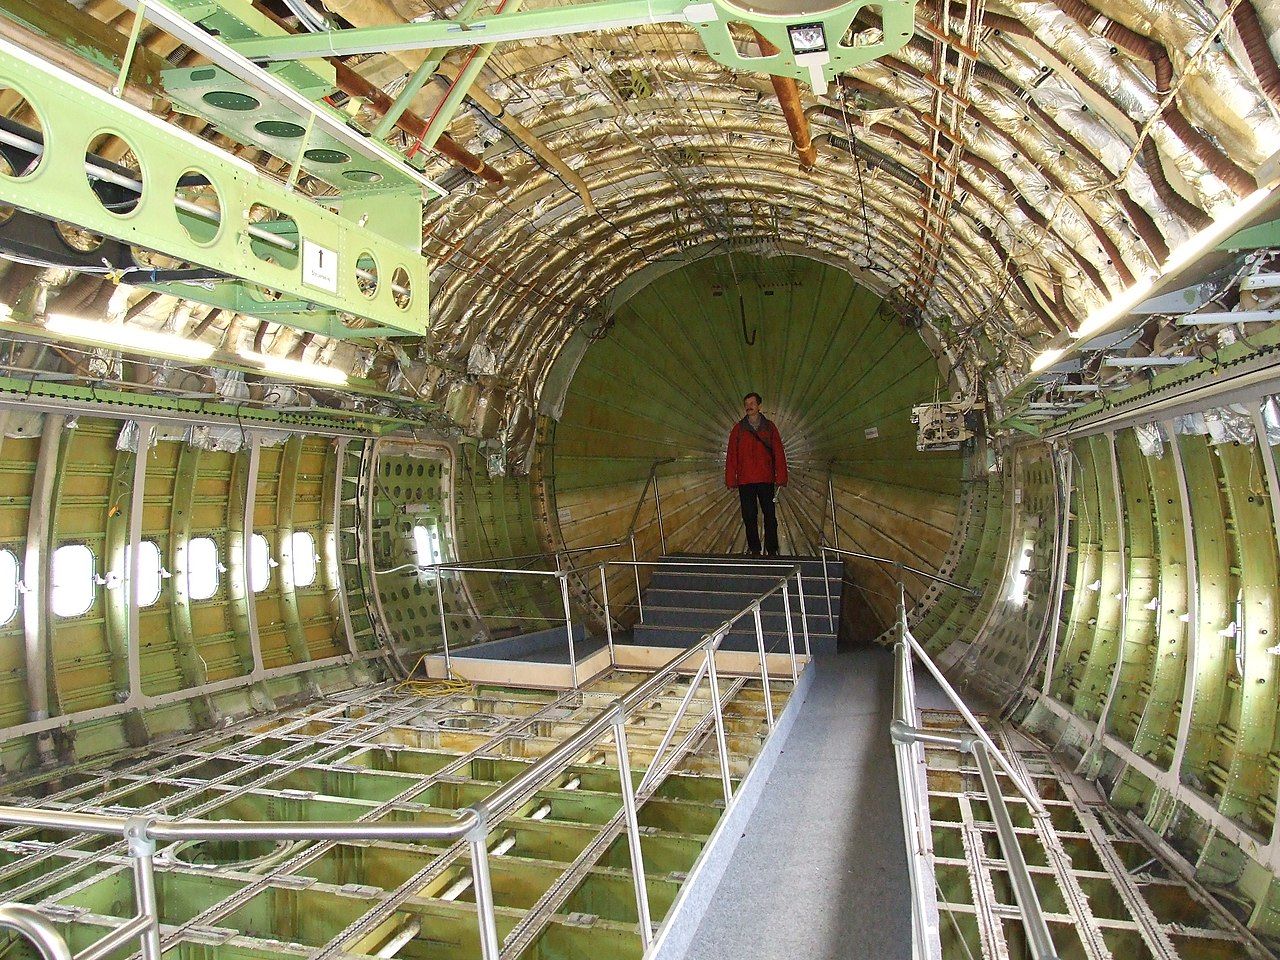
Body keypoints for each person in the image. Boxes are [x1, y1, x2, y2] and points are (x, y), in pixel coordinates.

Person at [725, 392, 788, 556]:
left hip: (765, 478)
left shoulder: (769, 427)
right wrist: (731, 479)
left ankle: (772, 549)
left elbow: (778, 452)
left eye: (752, 403)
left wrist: (781, 476)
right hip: (746, 480)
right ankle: (755, 549)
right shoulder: (738, 430)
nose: (749, 406)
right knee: (749, 516)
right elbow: (732, 455)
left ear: (759, 406)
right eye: (747, 403)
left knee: (770, 516)